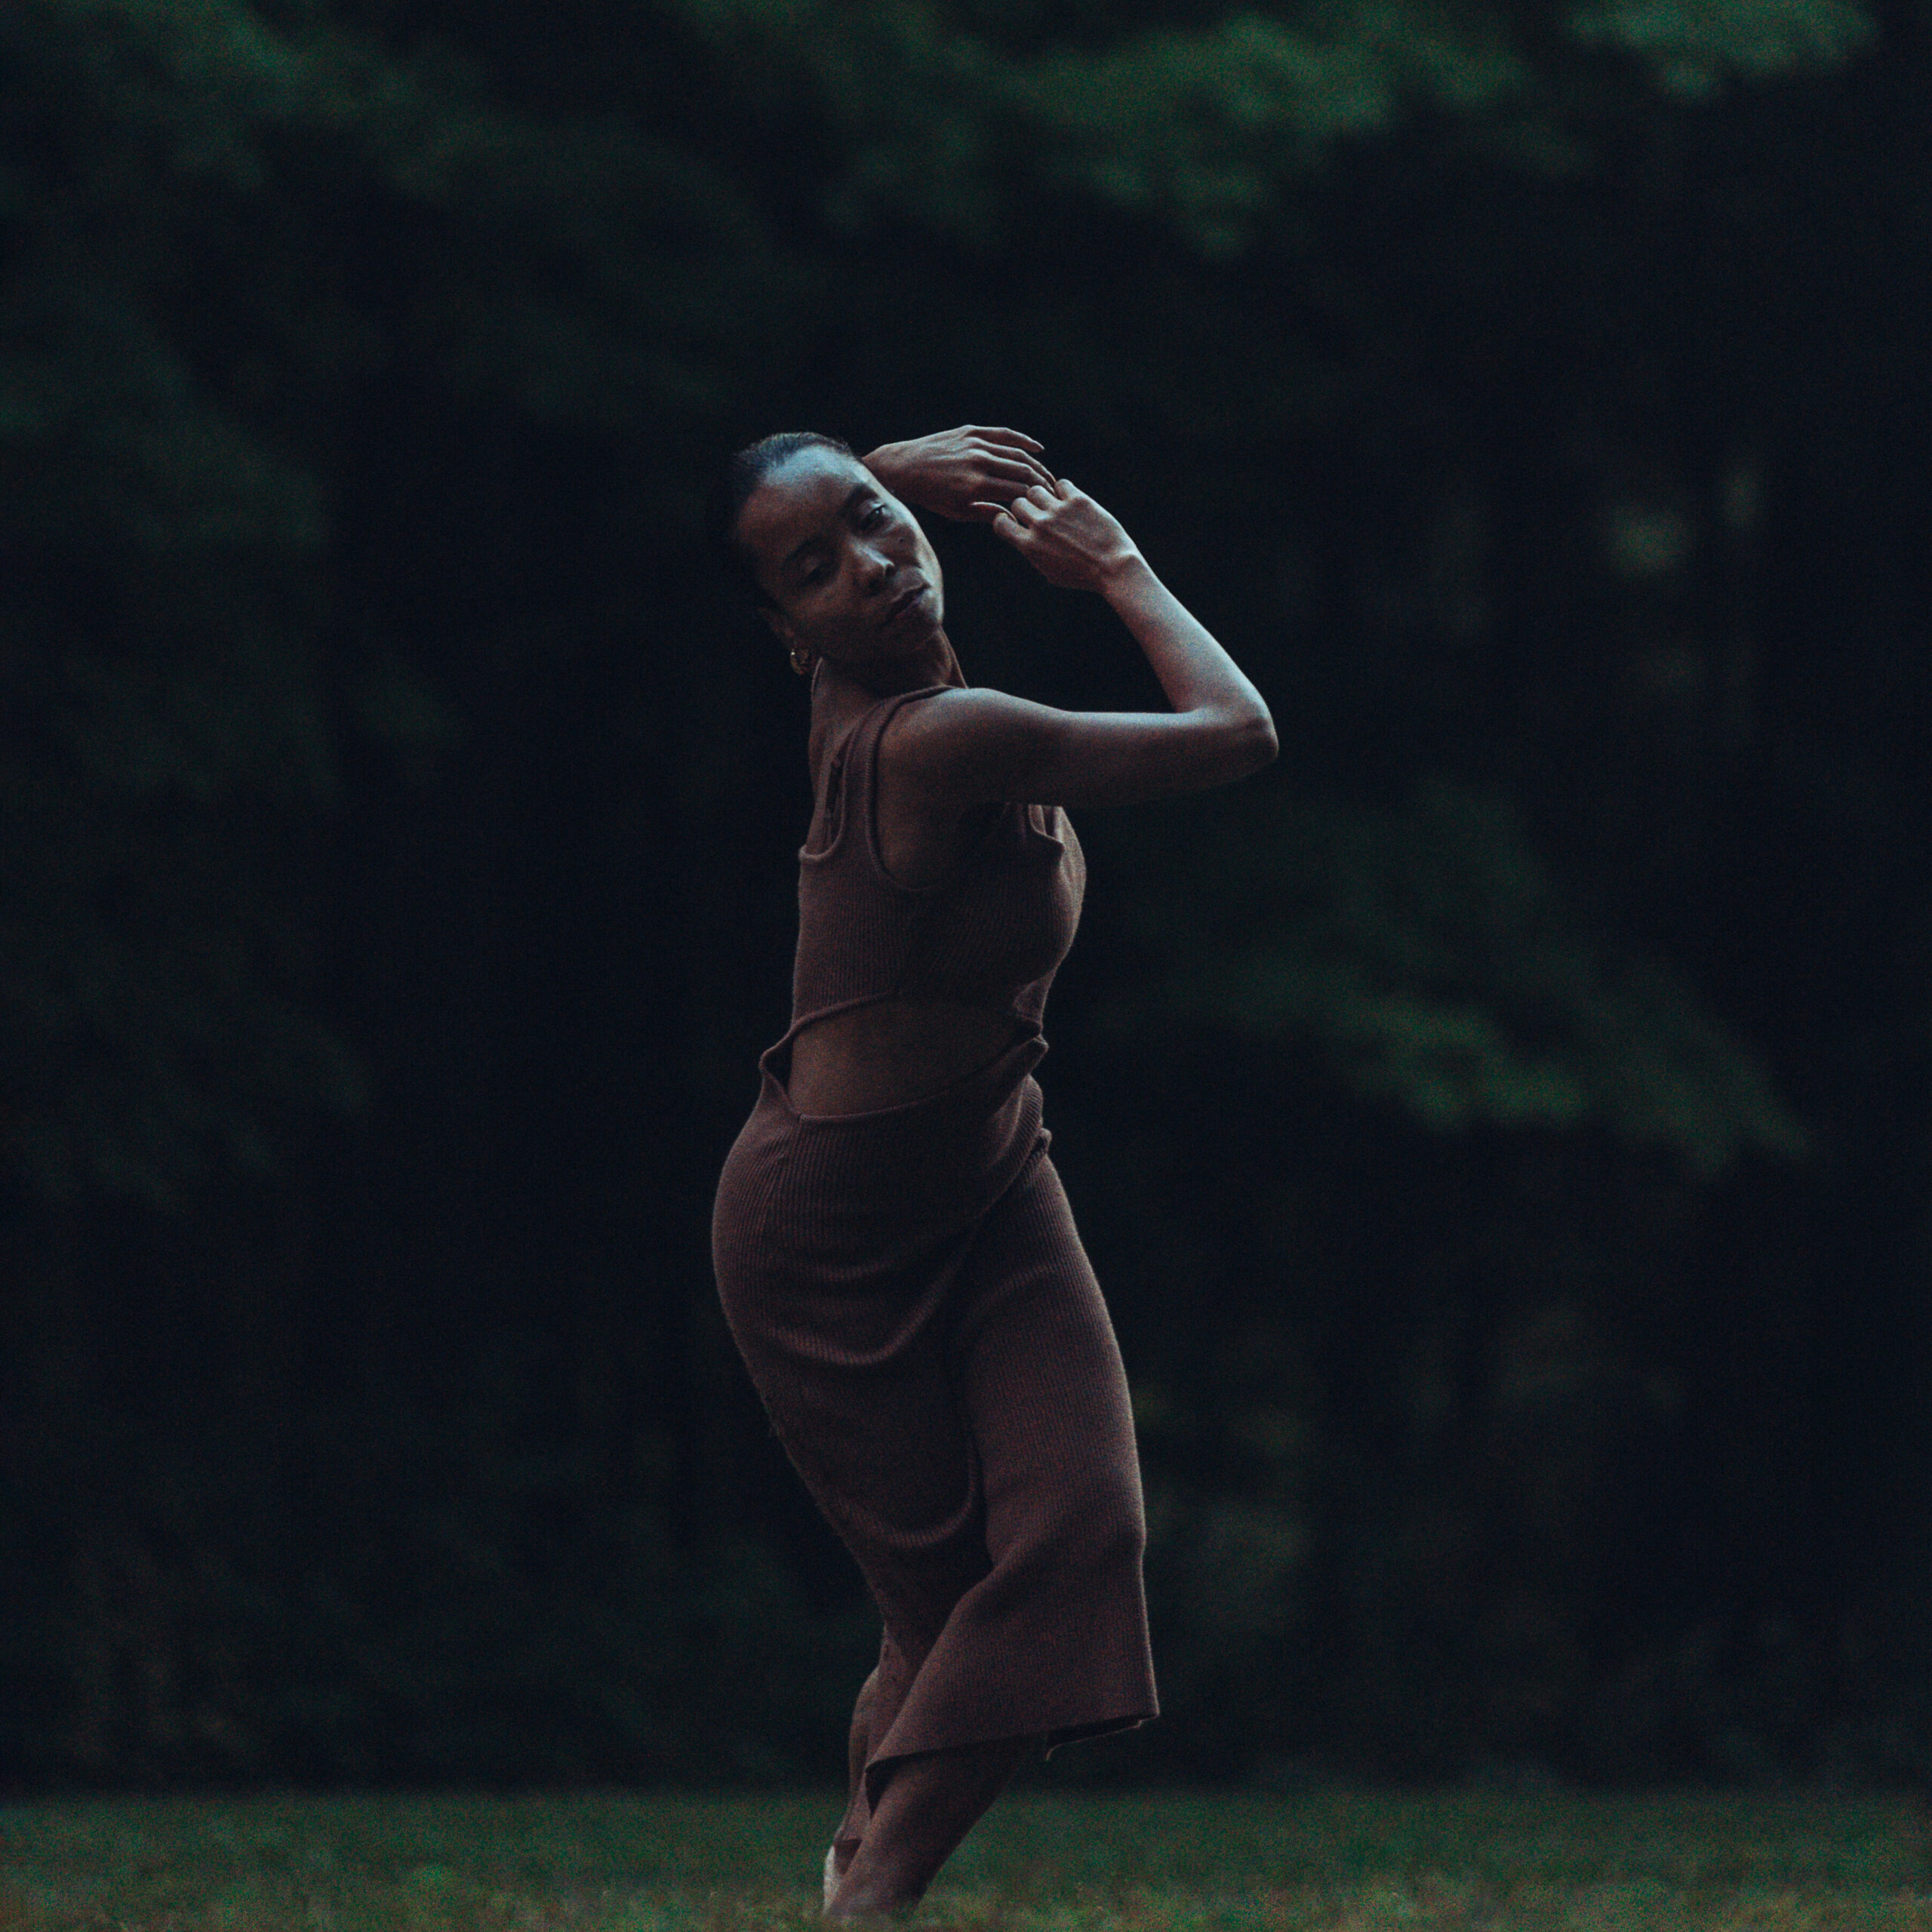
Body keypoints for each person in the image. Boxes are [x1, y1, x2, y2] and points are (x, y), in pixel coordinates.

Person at [707, 424, 1276, 1920]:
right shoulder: (929, 736)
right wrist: (1113, 565)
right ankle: (867, 1895)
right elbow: (1235, 732)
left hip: (993, 1173)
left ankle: (854, 1871)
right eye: (813, 571)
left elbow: (833, 517)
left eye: (875, 520)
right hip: (824, 1230)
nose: (869, 564)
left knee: (1075, 1532)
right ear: (785, 634)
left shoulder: (883, 665)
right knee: (953, 1611)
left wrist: (884, 466)